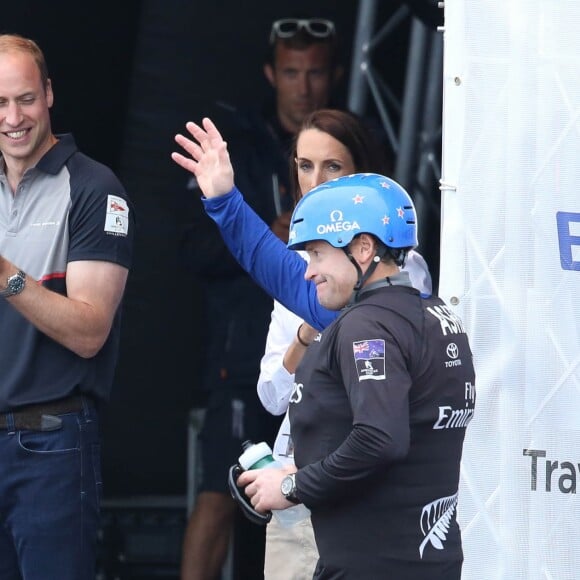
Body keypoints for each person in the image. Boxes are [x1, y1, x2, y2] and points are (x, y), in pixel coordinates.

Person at [171, 121, 475, 577]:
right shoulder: (435, 313)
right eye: (305, 166)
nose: (307, 272)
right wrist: (224, 201)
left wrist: (291, 484)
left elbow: (379, 438)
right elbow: (278, 271)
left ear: (364, 248)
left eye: (316, 255)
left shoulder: (364, 323)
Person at [179, 17, 344, 580]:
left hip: (361, 461)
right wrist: (234, 210)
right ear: (272, 75)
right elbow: (215, 251)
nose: (303, 87)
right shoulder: (243, 142)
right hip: (245, 342)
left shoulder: (395, 270)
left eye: (315, 73)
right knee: (224, 491)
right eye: (305, 166)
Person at [256, 108, 432, 580]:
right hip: (295, 488)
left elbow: (386, 425)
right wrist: (308, 329)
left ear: (364, 176)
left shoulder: (402, 264)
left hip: (367, 493)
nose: (315, 182)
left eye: (332, 167)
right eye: (304, 166)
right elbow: (272, 396)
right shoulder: (300, 267)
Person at [0, 34, 134, 579]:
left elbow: (89, 331)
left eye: (25, 98)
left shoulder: (96, 188)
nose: (13, 117)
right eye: (0, 102)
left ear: (49, 94)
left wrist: (6, 275)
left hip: (49, 444)